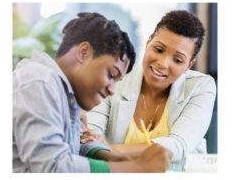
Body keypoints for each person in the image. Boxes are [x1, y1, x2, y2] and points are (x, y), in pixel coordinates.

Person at [13, 12, 172, 173]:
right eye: (111, 74)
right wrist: (135, 168)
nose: (112, 90)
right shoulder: (39, 83)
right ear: (84, 52)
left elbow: (78, 142)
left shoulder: (65, 93)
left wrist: (114, 158)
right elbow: (53, 167)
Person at [86, 10, 217, 171]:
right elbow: (89, 136)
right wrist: (97, 146)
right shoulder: (116, 77)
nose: (163, 63)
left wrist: (111, 149)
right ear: (148, 42)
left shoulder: (201, 86)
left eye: (177, 60)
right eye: (159, 49)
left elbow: (177, 145)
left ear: (189, 65)